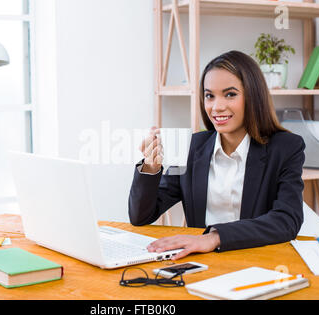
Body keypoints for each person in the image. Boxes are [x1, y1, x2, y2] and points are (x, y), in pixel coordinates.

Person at [128, 50, 305, 260]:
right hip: (202, 264)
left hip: (258, 261)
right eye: (209, 96)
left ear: (253, 96)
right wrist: (150, 167)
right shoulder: (192, 148)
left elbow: (286, 220)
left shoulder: (285, 147)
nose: (217, 107)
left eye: (230, 94)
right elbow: (141, 216)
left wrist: (213, 237)